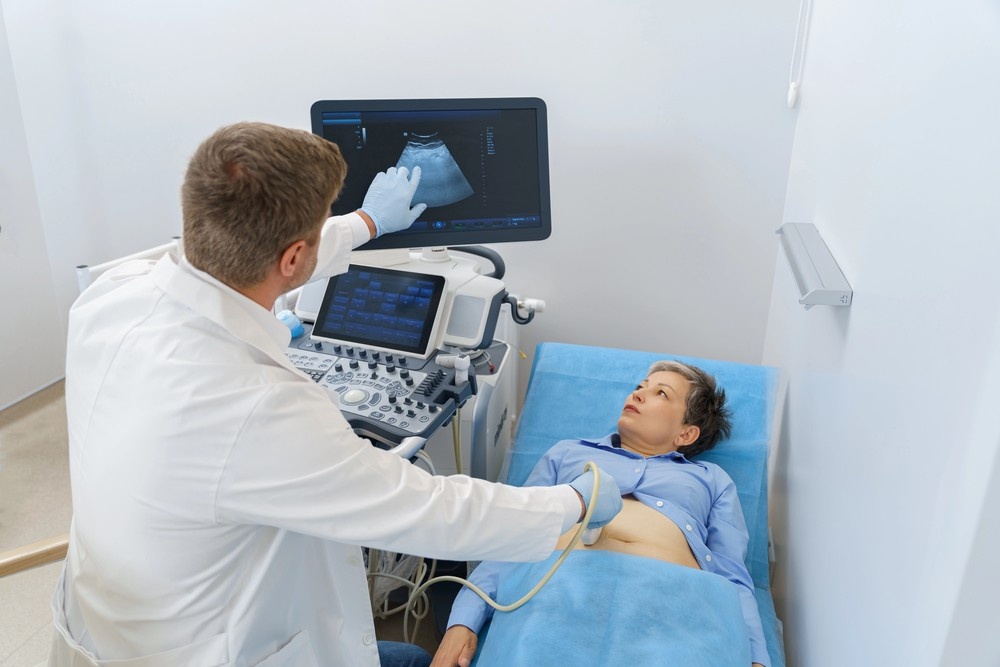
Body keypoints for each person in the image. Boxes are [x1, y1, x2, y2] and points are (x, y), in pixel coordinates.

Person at [49, 122, 623, 667]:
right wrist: (569, 506)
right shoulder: (258, 406)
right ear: (294, 257)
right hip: (212, 649)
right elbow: (424, 508)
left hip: (112, 621)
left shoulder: (112, 295)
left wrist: (367, 222)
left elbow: (253, 254)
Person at [432, 360, 771, 667]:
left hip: (671, 600)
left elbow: (732, 575)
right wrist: (463, 621)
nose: (638, 394)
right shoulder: (568, 453)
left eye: (660, 393)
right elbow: (513, 535)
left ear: (686, 433)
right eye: (640, 386)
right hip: (560, 587)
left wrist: (757, 658)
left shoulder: (712, 480)